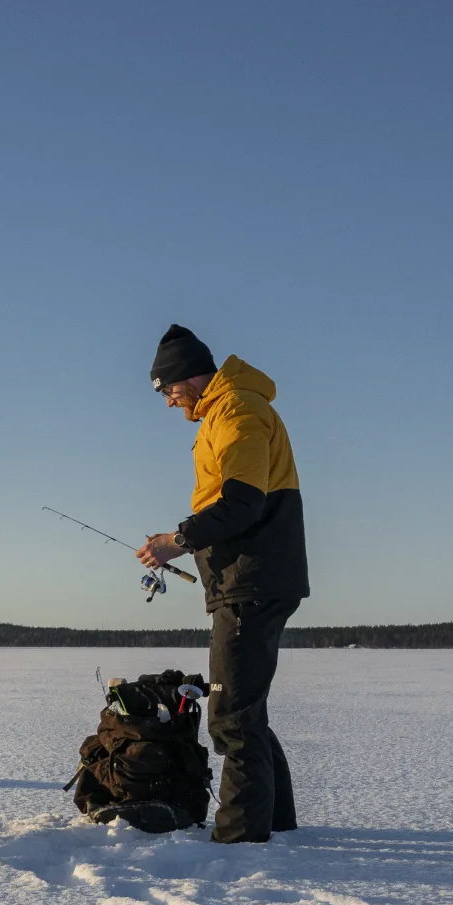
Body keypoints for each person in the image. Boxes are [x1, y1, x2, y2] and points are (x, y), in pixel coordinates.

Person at [135, 324, 307, 843]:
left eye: (168, 390)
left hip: (252, 582)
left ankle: (240, 839)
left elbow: (241, 503)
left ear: (190, 377)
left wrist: (178, 540)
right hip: (249, 581)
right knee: (244, 710)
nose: (170, 401)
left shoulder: (236, 410)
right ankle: (275, 823)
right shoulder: (225, 412)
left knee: (231, 715)